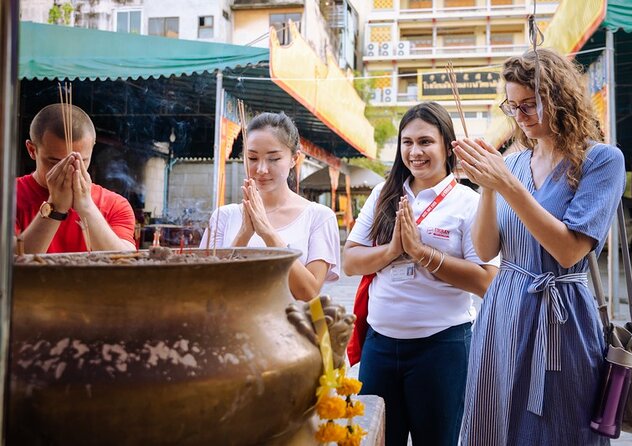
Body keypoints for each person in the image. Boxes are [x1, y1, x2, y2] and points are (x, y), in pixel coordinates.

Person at [454, 48, 626, 445]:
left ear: (559, 98)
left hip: (560, 314)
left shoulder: (601, 161)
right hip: (503, 309)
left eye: (531, 104)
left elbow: (569, 251)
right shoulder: (513, 163)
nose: (521, 116)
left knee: (561, 423)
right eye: (512, 106)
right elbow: (485, 250)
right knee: (494, 421)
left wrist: (506, 186)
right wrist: (486, 185)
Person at [342, 102, 499, 446]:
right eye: (407, 142)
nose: (415, 152)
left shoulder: (468, 203)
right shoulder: (384, 195)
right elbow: (350, 261)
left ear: (447, 145)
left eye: (426, 141)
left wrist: (423, 254)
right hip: (379, 345)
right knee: (378, 439)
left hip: (442, 348)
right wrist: (393, 251)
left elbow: (487, 281)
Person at [200, 112, 340, 301]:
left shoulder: (319, 217)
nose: (261, 169)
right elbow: (206, 287)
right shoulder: (223, 217)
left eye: (273, 159)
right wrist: (243, 235)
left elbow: (309, 293)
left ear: (294, 159)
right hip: (230, 326)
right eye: (252, 158)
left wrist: (268, 233)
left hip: (291, 327)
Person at [15, 104, 136, 254]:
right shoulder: (9, 197)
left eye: (81, 161)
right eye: (55, 162)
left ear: (92, 148)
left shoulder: (114, 205)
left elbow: (125, 265)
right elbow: (9, 262)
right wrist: (55, 208)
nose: (70, 170)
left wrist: (86, 207)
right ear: (32, 150)